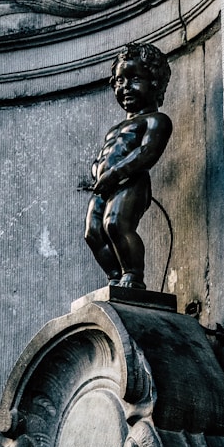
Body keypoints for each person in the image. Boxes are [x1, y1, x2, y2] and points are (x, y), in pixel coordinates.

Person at [84, 42, 172, 289]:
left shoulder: (156, 120)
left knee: (115, 224)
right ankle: (115, 277)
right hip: (105, 186)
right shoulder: (114, 129)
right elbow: (102, 156)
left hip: (131, 182)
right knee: (93, 232)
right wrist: (96, 172)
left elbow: (147, 153)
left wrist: (113, 174)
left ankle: (132, 275)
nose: (125, 87)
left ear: (154, 83)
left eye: (134, 79)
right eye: (120, 81)